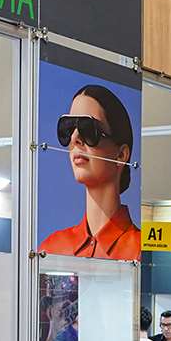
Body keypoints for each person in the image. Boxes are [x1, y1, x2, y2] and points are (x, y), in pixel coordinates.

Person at [39, 84, 138, 259]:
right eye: (68, 128)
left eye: (88, 129)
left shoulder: (142, 251)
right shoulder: (51, 248)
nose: (74, 138)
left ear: (121, 155)